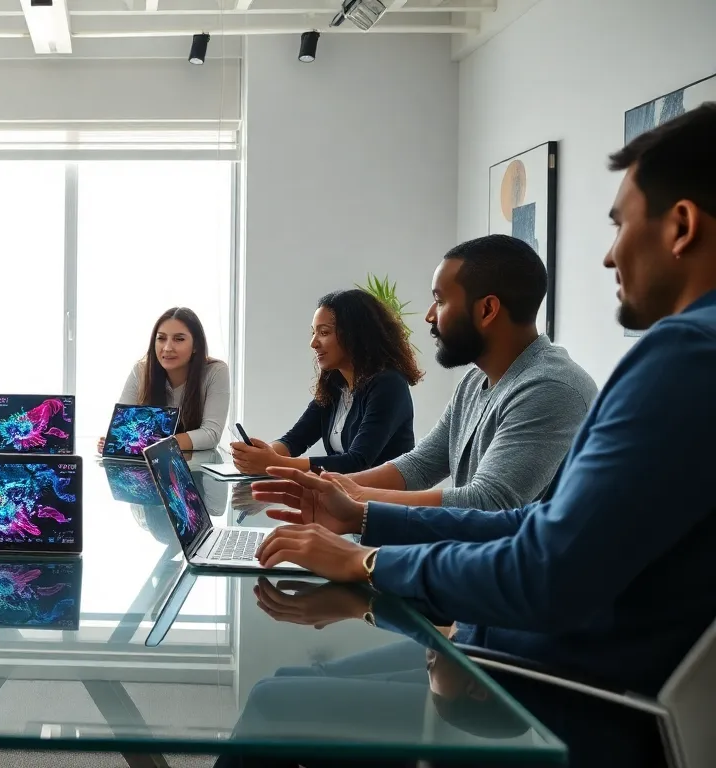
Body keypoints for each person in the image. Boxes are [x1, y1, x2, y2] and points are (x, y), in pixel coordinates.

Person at [250, 104, 716, 709]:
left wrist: (368, 562)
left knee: (275, 701)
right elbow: (538, 528)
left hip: (547, 694)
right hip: (526, 657)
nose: (608, 256)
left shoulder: (681, 358)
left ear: (680, 226)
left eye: (619, 225)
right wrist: (360, 516)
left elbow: (541, 569)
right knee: (286, 689)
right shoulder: (682, 359)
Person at [311, 235, 597, 511]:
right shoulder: (473, 382)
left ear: (487, 310)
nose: (430, 315)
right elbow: (421, 465)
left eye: (441, 300)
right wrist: (328, 488)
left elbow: (487, 503)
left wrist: (358, 500)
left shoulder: (551, 388)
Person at [230, 289, 422, 474]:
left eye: (324, 332)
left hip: (383, 502)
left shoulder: (388, 384)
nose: (313, 343)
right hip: (345, 497)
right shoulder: (336, 384)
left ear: (355, 334)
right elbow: (294, 440)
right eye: (313, 333)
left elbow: (357, 462)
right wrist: (262, 454)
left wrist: (273, 463)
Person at [105, 307, 230, 453]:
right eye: (161, 338)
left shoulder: (216, 371)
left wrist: (147, 442)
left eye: (179, 339)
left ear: (196, 345)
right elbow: (120, 428)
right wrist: (113, 441)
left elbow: (210, 434)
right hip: (149, 466)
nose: (168, 347)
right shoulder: (141, 371)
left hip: (198, 468)